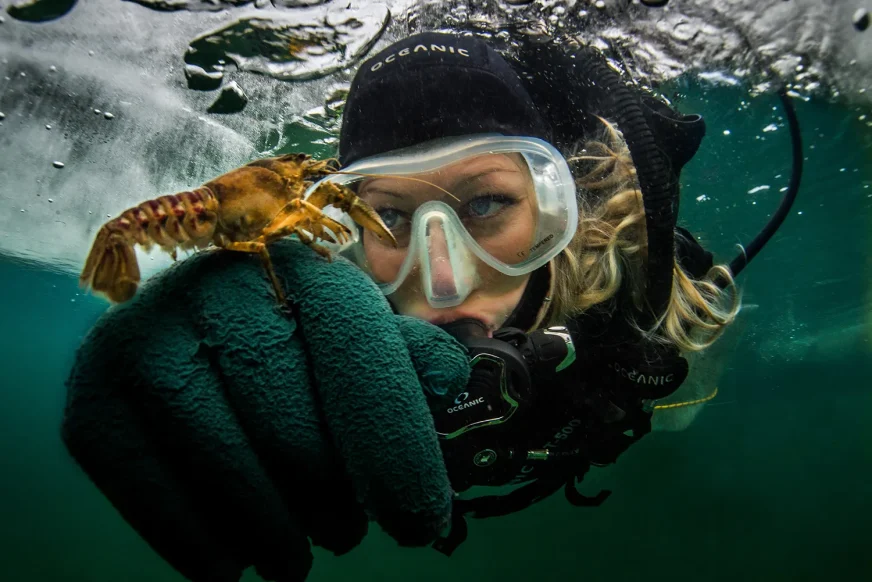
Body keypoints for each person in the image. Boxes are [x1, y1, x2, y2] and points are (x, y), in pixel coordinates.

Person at [63, 31, 775, 582]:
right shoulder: (323, 302)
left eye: (489, 204)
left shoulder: (647, 295)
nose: (441, 279)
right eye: (390, 220)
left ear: (561, 210)